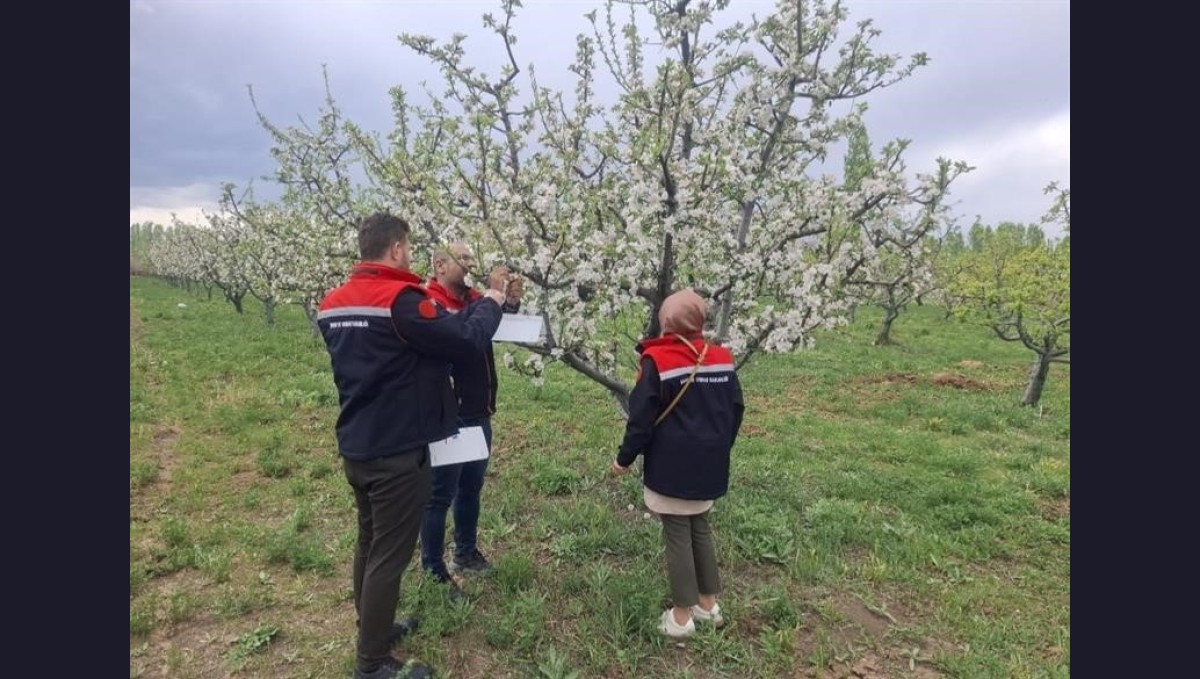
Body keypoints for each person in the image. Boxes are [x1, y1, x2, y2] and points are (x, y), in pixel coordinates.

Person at [317, 213, 506, 679]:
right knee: (389, 555)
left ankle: (373, 629)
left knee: (369, 540)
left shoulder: (333, 302)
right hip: (398, 449)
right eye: (409, 248)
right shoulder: (401, 301)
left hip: (358, 442)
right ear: (397, 248)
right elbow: (464, 339)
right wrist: (496, 298)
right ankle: (372, 662)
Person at [611, 289, 745, 638]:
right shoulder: (721, 359)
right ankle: (708, 604)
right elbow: (736, 409)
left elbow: (640, 419)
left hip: (671, 465)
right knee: (700, 526)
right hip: (710, 462)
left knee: (677, 534)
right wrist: (719, 446)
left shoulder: (658, 362)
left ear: (666, 321)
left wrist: (623, 459)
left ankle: (682, 618)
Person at [419, 243, 523, 596]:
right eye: (463, 260)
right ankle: (433, 567)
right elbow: (463, 336)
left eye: (471, 259)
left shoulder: (471, 299)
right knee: (440, 494)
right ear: (440, 265)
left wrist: (508, 303)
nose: (470, 266)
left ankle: (465, 552)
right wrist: (492, 296)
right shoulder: (427, 302)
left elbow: (491, 323)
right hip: (449, 415)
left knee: (471, 487)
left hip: (478, 411)